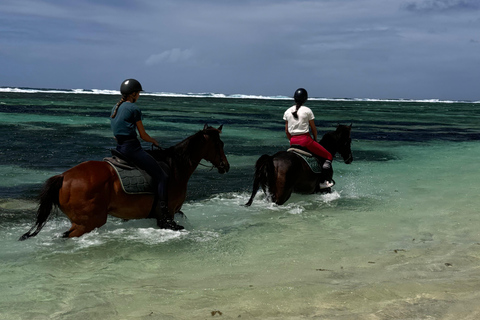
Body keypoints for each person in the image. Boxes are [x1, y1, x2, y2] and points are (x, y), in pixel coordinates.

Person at [110, 79, 181, 230]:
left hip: (119, 148)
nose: (139, 96)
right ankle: (163, 217)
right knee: (162, 176)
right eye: (138, 93)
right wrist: (154, 141)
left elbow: (117, 134)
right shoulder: (134, 108)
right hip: (131, 149)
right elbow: (143, 135)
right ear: (134, 94)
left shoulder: (115, 108)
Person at [283, 88, 334, 189]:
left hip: (293, 141)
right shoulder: (307, 110)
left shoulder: (287, 111)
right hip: (305, 141)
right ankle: (324, 181)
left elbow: (286, 131)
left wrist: (291, 140)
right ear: (305, 99)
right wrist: (315, 139)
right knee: (328, 156)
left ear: (294, 98)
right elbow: (313, 129)